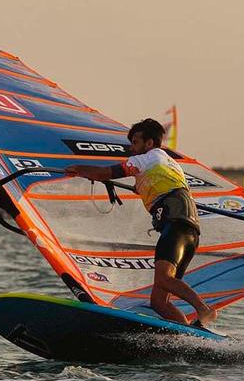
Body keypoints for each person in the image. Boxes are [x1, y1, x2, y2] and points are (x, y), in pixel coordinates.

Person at [65, 118, 217, 327]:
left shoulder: (147, 158)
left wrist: (78, 168)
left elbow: (105, 173)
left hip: (176, 226)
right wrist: (141, 186)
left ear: (149, 143)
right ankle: (188, 335)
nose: (132, 147)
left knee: (164, 279)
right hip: (189, 231)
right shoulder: (166, 162)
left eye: (136, 142)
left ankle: (203, 309)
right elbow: (158, 184)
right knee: (158, 302)